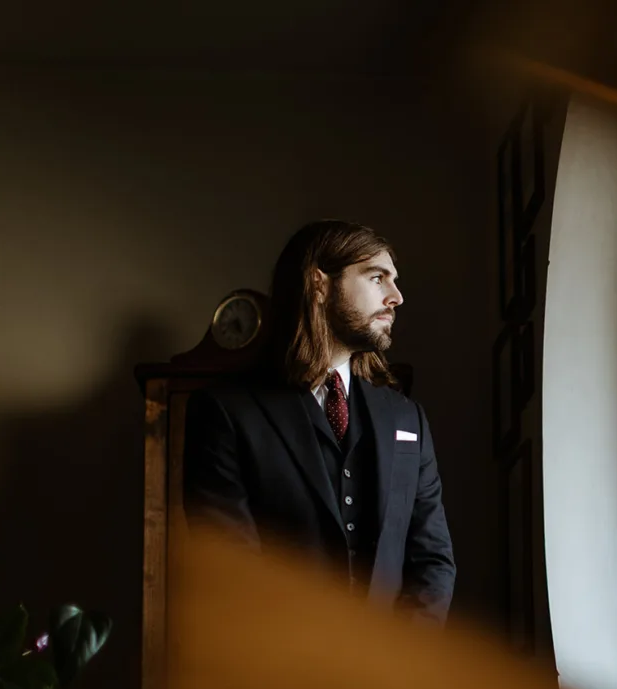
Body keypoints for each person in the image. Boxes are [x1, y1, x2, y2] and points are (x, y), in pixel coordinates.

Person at [183, 219, 455, 624]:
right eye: (377, 277)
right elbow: (231, 568)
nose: (396, 296)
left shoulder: (407, 418)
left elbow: (432, 560)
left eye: (394, 281)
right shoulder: (225, 411)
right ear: (319, 284)